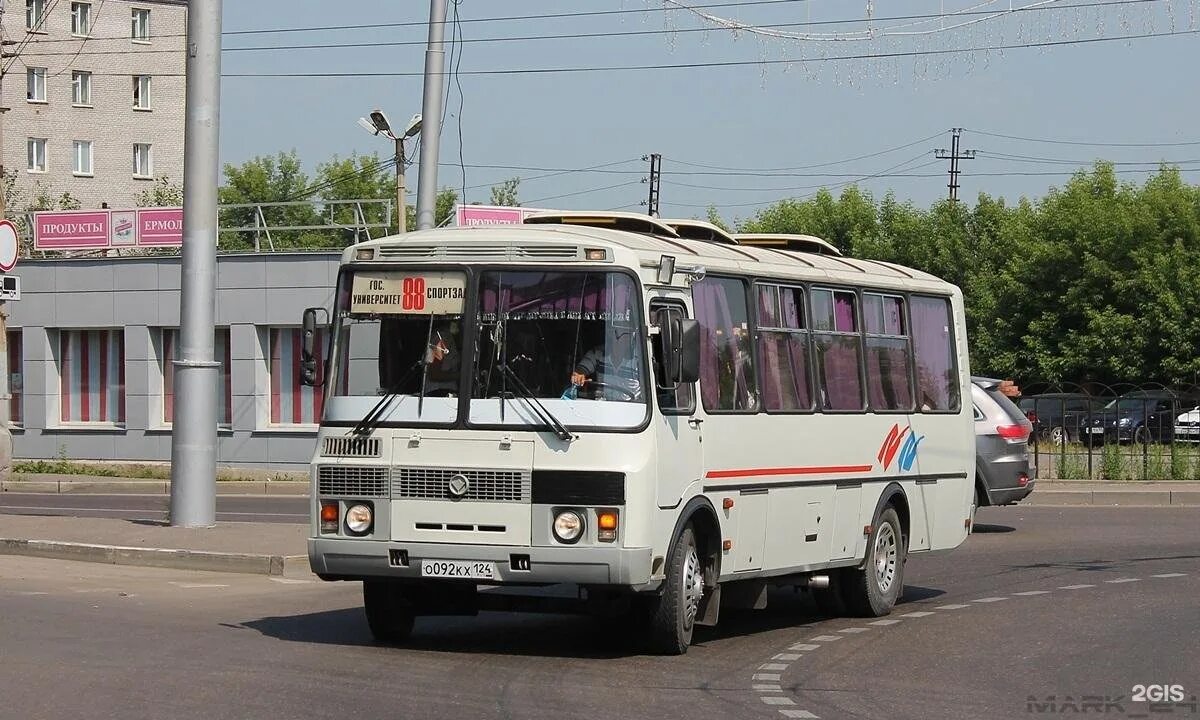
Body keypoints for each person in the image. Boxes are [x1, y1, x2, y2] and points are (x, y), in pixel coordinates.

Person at [569, 322, 643, 401]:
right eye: (617, 334)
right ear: (610, 335)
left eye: (627, 335)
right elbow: (580, 371)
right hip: (602, 406)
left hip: (631, 408)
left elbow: (647, 391)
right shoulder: (597, 353)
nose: (621, 340)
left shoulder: (639, 360)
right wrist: (579, 376)